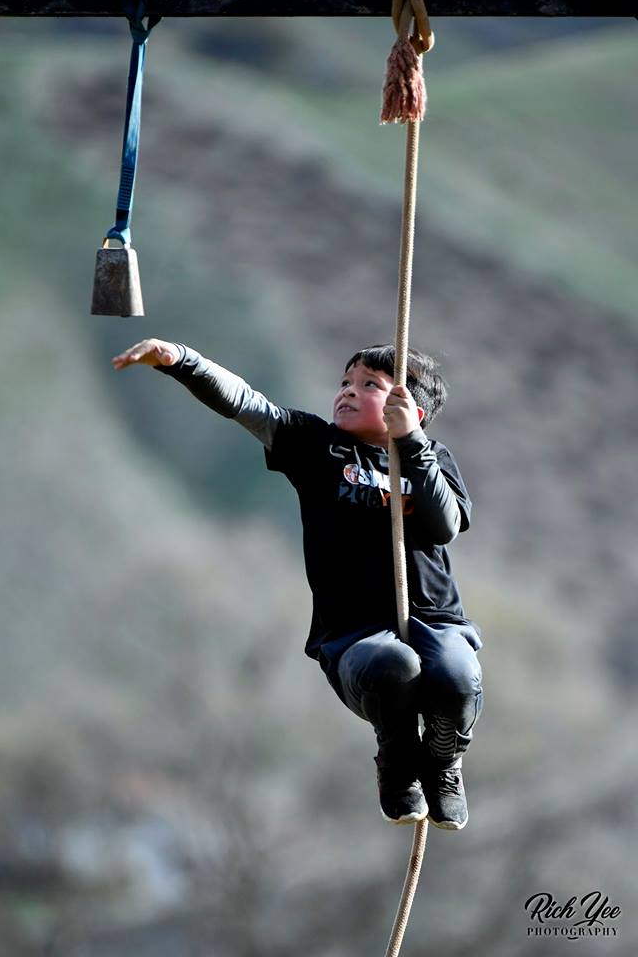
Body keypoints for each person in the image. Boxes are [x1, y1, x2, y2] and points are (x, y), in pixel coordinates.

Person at [112, 338, 484, 830]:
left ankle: (441, 762)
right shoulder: (316, 445)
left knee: (457, 677)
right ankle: (396, 761)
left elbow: (443, 526)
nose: (347, 393)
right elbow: (245, 403)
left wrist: (411, 443)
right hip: (356, 636)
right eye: (345, 383)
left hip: (437, 623)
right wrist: (182, 361)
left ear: (410, 408)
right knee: (396, 665)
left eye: (368, 385)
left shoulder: (431, 457)